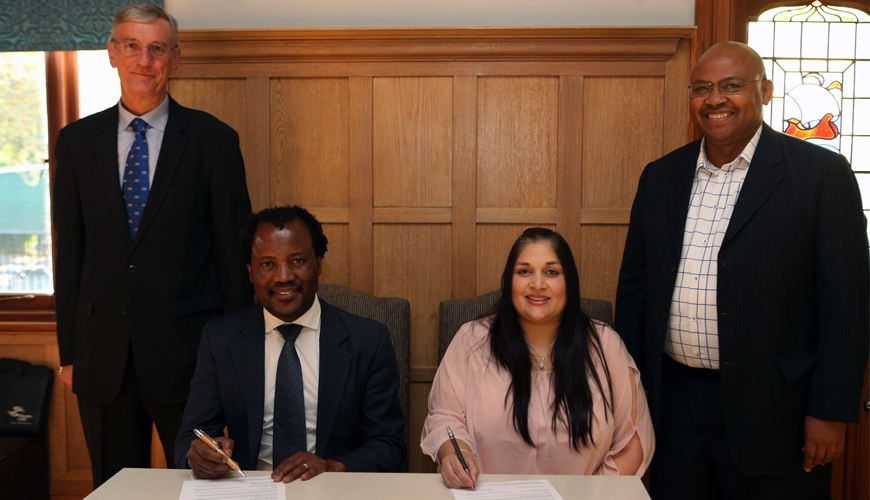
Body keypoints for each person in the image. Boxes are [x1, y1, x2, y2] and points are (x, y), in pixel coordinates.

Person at [615, 41, 869, 500]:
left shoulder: (821, 174)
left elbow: (847, 305)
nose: (715, 99)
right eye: (702, 88)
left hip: (777, 410)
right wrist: (626, 401)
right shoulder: (660, 176)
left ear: (765, 91)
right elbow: (635, 293)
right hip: (673, 404)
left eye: (732, 86)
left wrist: (831, 411)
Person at [52, 3, 253, 487]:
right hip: (102, 360)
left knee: (206, 485)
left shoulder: (214, 141)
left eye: (157, 48)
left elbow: (233, 257)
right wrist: (69, 353)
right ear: (112, 54)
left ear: (175, 59)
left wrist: (233, 362)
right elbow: (70, 252)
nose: (145, 59)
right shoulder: (76, 142)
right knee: (116, 487)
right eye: (132, 46)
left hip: (191, 360)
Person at [176, 205, 406, 481]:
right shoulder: (220, 338)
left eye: (297, 261)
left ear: (319, 263)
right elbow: (193, 434)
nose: (283, 276)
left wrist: (333, 466)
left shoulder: (367, 340)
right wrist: (201, 457)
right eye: (267, 264)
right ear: (250, 271)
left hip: (332, 490)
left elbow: (389, 444)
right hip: (249, 488)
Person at [422, 227, 654, 489]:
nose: (537, 284)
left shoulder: (606, 344)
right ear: (509, 281)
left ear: (570, 282)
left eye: (551, 272)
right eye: (524, 271)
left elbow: (632, 442)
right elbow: (444, 416)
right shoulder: (471, 340)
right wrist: (456, 452)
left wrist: (587, 497)